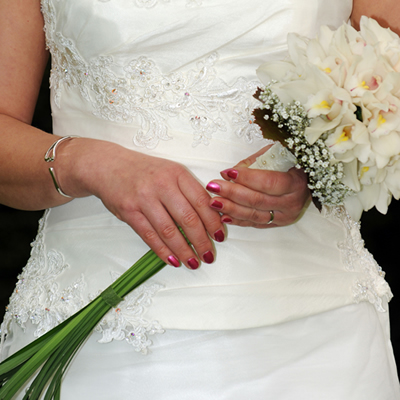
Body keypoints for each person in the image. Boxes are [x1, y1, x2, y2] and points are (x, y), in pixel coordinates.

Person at [0, 0, 399, 398]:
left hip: (317, 334)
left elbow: (388, 89)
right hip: (98, 332)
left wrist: (319, 174)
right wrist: (84, 162)